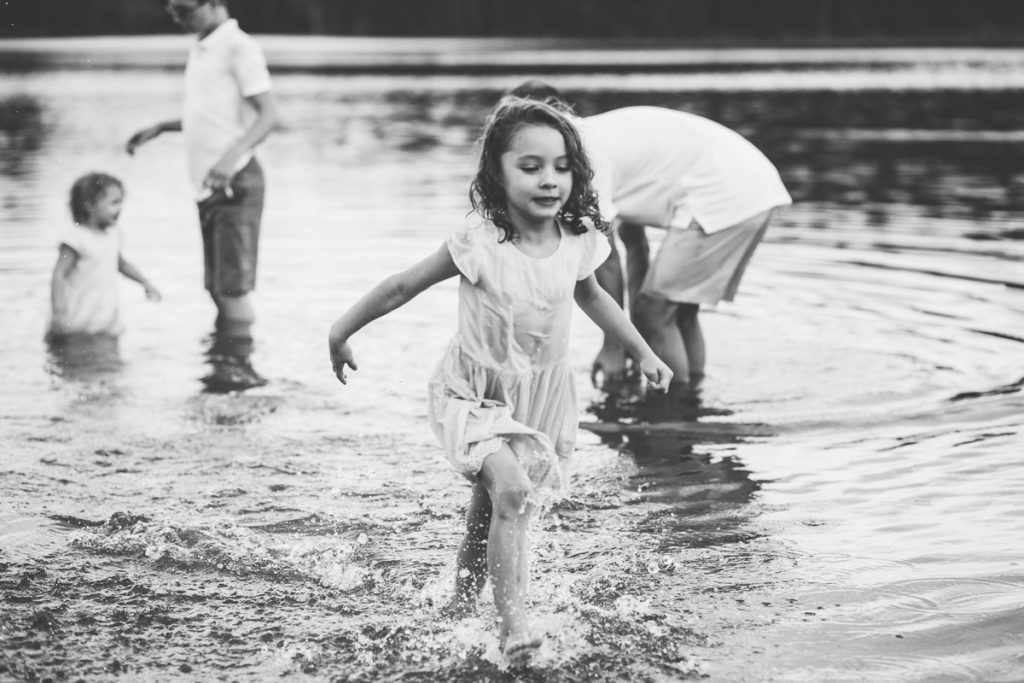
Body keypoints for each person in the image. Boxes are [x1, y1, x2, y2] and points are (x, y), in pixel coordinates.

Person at [327, 97, 672, 665]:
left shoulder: (577, 238)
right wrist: (341, 330)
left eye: (561, 166)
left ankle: (460, 605)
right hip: (473, 394)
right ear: (497, 173)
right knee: (511, 490)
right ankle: (515, 627)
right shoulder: (479, 240)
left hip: (537, 398)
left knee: (492, 510)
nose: (549, 179)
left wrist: (642, 350)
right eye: (530, 167)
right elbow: (403, 285)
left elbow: (594, 297)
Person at [510, 81, 792, 391]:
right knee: (677, 311)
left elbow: (604, 260)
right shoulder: (600, 142)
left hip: (725, 192)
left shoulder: (578, 154)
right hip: (750, 184)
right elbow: (634, 244)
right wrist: (632, 332)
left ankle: (673, 407)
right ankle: (692, 398)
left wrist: (614, 345)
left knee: (655, 311)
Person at [125, 0, 278, 390]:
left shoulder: (238, 47)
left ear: (212, 3)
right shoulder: (203, 48)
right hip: (210, 187)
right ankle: (225, 368)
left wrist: (229, 158)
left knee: (231, 289)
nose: (177, 17)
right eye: (172, 11)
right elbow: (210, 117)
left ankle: (240, 372)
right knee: (216, 288)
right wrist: (162, 127)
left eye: (184, 9)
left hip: (235, 183)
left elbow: (268, 115)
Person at [49, 172, 161, 339]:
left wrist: (145, 283)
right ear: (89, 206)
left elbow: (121, 264)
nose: (120, 208)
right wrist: (59, 311)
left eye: (121, 202)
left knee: (108, 350)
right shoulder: (76, 239)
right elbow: (59, 274)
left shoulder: (113, 235)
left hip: (104, 316)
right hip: (77, 318)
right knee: (76, 350)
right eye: (114, 202)